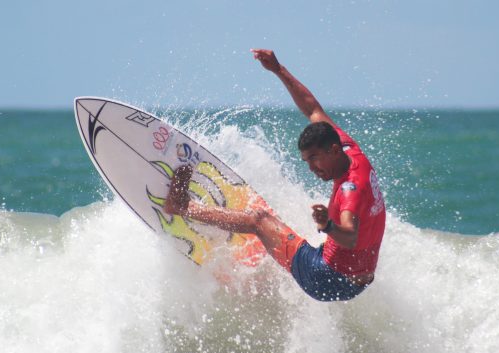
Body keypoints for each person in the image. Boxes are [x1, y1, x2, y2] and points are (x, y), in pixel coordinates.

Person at [164, 49, 386, 302]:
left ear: (333, 150)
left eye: (315, 159)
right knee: (279, 233)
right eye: (307, 161)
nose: (312, 168)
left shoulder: (350, 190)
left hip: (326, 279)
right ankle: (268, 267)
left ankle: (181, 206)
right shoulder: (351, 151)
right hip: (359, 281)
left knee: (259, 220)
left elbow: (350, 235)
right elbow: (313, 109)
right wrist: (278, 69)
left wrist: (327, 225)